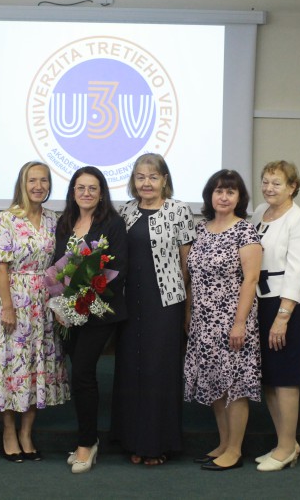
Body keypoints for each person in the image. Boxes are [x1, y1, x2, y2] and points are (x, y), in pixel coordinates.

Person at [111, 153, 195, 466]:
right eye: (140, 177)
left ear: (164, 180)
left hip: (166, 303)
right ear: (133, 181)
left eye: (153, 177)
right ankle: (132, 440)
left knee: (159, 371)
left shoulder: (179, 210)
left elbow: (187, 263)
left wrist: (187, 305)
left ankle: (158, 443)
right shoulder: (125, 211)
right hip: (129, 303)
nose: (146, 183)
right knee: (131, 369)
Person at [184, 169, 262, 472]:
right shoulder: (201, 230)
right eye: (219, 191)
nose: (224, 197)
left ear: (239, 197)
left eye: (231, 191)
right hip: (204, 321)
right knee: (214, 382)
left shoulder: (245, 231)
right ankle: (224, 442)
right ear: (210, 195)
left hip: (233, 320)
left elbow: (251, 279)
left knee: (234, 384)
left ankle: (235, 450)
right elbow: (192, 278)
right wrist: (189, 314)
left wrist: (239, 323)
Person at [0, 161, 70, 463]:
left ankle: (26, 433)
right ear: (22, 184)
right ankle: (8, 432)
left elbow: (59, 263)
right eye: (32, 180)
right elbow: (1, 267)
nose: (39, 186)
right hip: (16, 299)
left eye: (44, 181)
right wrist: (7, 307)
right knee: (14, 368)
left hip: (45, 303)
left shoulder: (54, 219)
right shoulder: (6, 219)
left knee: (38, 368)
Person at [54, 166, 127, 474]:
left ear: (101, 193)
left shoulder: (113, 223)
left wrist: (85, 301)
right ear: (73, 191)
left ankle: (87, 443)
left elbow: (118, 269)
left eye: (92, 188)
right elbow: (57, 266)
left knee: (83, 372)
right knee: (79, 376)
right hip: (69, 316)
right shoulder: (65, 222)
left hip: (99, 312)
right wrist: (62, 306)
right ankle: (87, 438)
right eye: (81, 187)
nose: (86, 193)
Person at [250, 161, 300, 472]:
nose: (269, 188)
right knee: (269, 377)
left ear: (292, 187)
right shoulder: (259, 212)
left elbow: (297, 272)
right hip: (258, 302)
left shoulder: (299, 220)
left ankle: (287, 447)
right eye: (265, 181)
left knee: (286, 378)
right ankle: (284, 443)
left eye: (276, 183)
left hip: (284, 304)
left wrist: (283, 317)